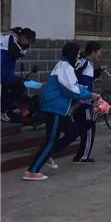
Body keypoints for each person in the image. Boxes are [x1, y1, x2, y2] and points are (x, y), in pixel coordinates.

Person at [23, 42, 100, 181]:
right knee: (52, 140)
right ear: (72, 54)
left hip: (59, 109)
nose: (79, 56)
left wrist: (86, 94)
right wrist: (90, 95)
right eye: (77, 54)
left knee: (72, 133)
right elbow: (71, 90)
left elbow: (73, 86)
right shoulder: (65, 67)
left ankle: (48, 155)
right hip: (55, 108)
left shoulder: (65, 66)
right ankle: (32, 171)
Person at [73, 41, 105, 163]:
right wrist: (83, 92)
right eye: (99, 52)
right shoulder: (84, 62)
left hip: (82, 100)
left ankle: (80, 155)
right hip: (84, 101)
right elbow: (75, 77)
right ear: (93, 52)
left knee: (82, 127)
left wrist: (99, 70)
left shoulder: (86, 63)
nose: (100, 55)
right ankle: (83, 156)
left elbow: (87, 78)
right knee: (89, 128)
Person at [1, 27, 36, 120]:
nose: (28, 45)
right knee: (17, 88)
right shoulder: (11, 38)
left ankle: (3, 110)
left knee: (11, 90)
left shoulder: (10, 38)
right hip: (4, 72)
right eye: (28, 42)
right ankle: (2, 110)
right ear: (23, 37)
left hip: (6, 72)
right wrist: (24, 49)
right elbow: (17, 53)